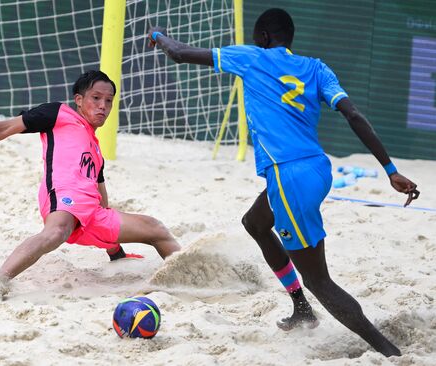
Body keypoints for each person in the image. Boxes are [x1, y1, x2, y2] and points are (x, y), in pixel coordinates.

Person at [147, 8, 419, 357]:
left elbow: (179, 53)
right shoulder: (317, 68)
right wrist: (390, 168)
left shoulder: (251, 58)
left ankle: (390, 352)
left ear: (262, 38)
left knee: (319, 279)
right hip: (318, 171)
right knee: (255, 223)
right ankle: (301, 308)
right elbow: (353, 114)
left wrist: (157, 35)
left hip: (288, 176)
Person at [0, 70, 181, 290]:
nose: (103, 106)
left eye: (108, 101)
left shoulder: (95, 149)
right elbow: (4, 128)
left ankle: (189, 276)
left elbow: (101, 196)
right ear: (79, 99)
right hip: (62, 197)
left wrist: (115, 253)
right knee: (56, 232)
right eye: (96, 98)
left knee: (155, 228)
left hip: (91, 214)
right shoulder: (59, 114)